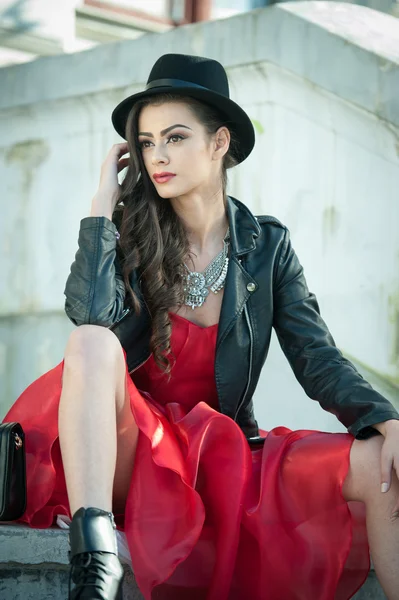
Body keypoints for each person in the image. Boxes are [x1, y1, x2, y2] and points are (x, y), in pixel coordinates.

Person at [3, 53, 399, 600]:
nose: (157, 156)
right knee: (90, 344)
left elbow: (318, 360)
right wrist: (101, 210)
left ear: (219, 143)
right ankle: (94, 565)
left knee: (386, 462)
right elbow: (92, 319)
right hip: (130, 452)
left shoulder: (267, 247)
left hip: (221, 451)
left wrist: (386, 419)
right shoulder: (126, 233)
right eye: (145, 143)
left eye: (175, 137)